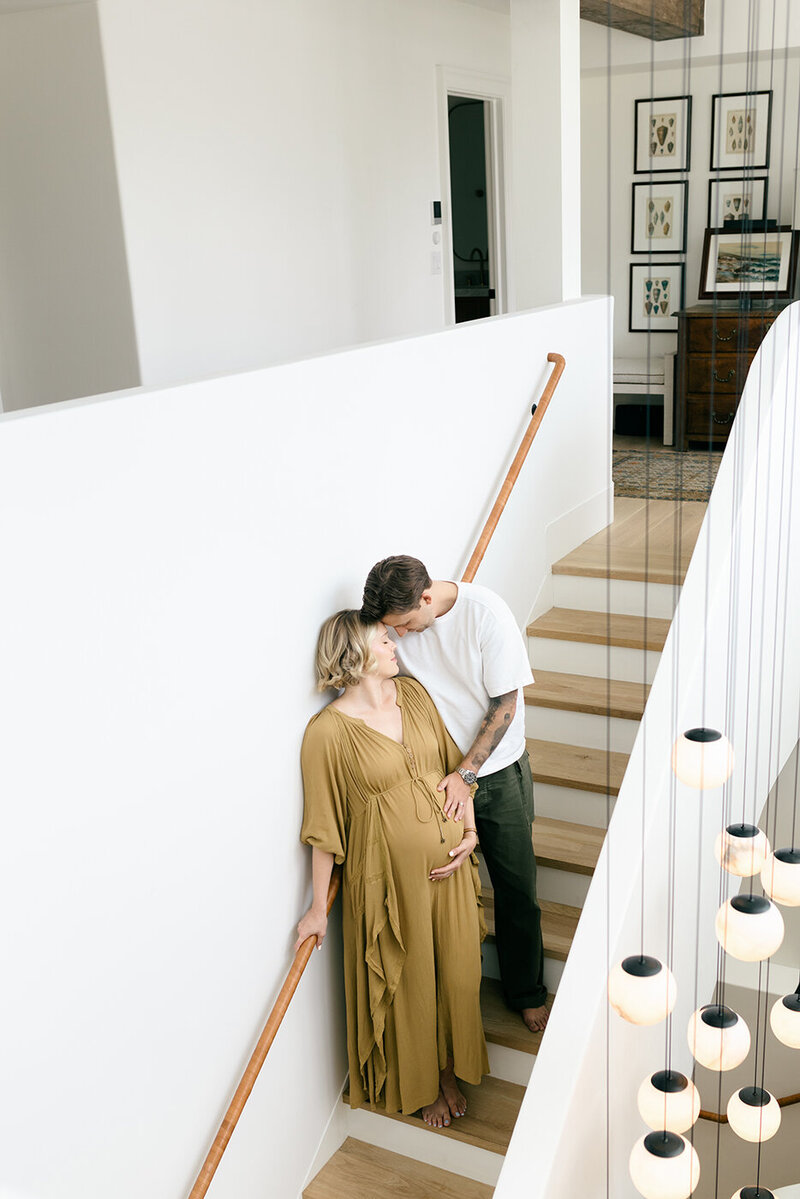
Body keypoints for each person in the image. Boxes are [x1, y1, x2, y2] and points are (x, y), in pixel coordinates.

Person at [295, 610, 488, 1129]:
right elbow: (323, 827)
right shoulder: (327, 734)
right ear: (354, 654)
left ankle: (449, 1069)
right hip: (386, 881)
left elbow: (454, 772)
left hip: (452, 869)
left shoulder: (417, 696)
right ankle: (427, 1082)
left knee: (458, 973)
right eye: (383, 638)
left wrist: (470, 835)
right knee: (412, 983)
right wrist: (317, 909)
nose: (394, 642)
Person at [361, 555, 549, 1033]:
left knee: (515, 887)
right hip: (438, 776)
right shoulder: (401, 623)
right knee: (451, 889)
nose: (398, 637)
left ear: (426, 598)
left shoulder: (486, 614)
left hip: (498, 772)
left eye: (403, 625)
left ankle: (525, 990)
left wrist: (467, 774)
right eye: (391, 629)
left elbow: (506, 704)